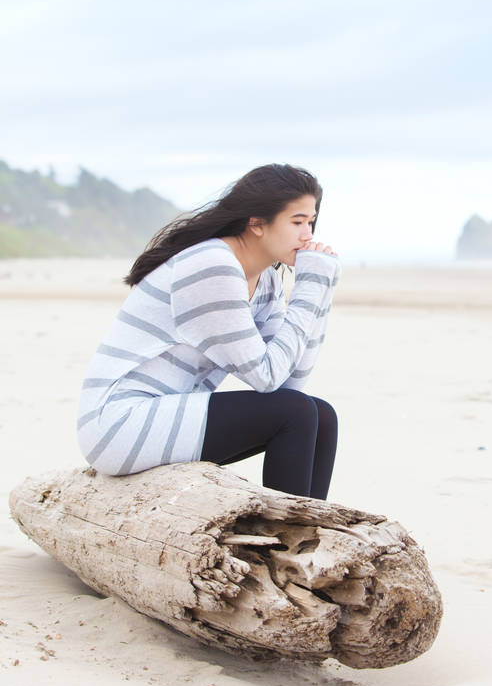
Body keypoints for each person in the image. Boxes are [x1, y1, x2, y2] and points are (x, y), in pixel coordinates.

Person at [76, 163, 341, 500]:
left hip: (165, 414)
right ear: (257, 223)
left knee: (320, 415)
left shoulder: (267, 281)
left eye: (311, 222)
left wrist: (322, 290)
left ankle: (309, 534)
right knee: (296, 413)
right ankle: (284, 539)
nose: (308, 235)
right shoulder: (211, 266)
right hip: (118, 425)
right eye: (297, 222)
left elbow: (291, 382)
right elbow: (268, 378)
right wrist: (309, 287)